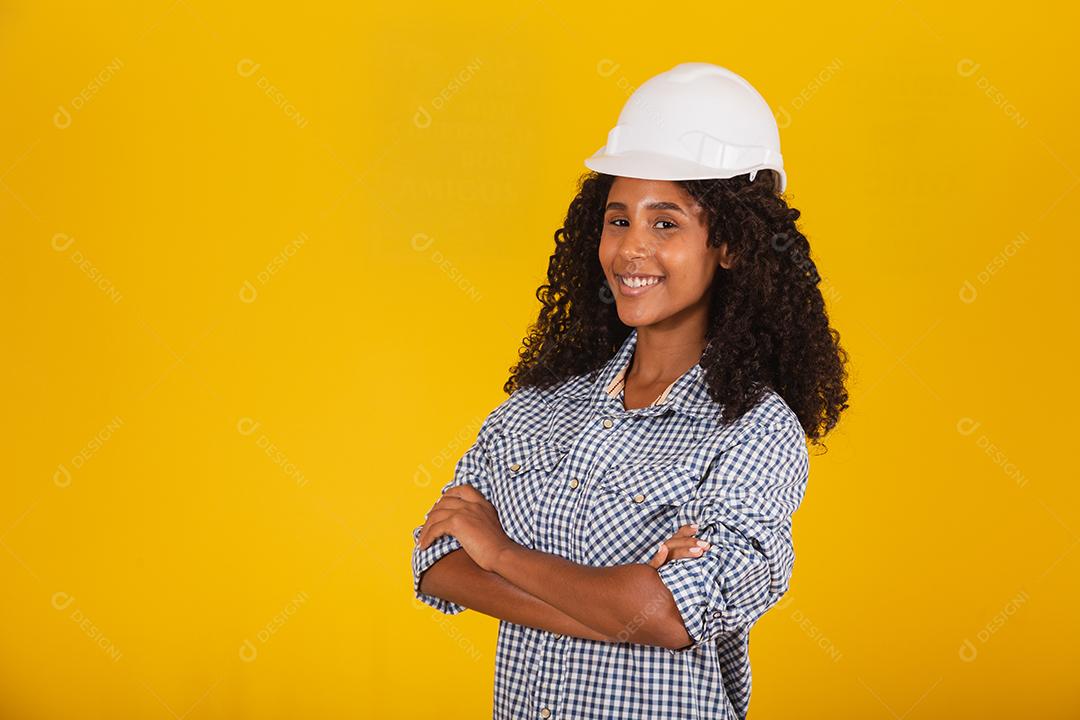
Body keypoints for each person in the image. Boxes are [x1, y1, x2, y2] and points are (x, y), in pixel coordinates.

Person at [412, 62, 849, 720]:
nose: (630, 250)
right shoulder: (540, 405)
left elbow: (673, 612)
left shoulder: (754, 432)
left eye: (665, 223)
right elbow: (437, 559)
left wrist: (499, 552)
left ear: (727, 245)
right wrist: (620, 608)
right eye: (618, 221)